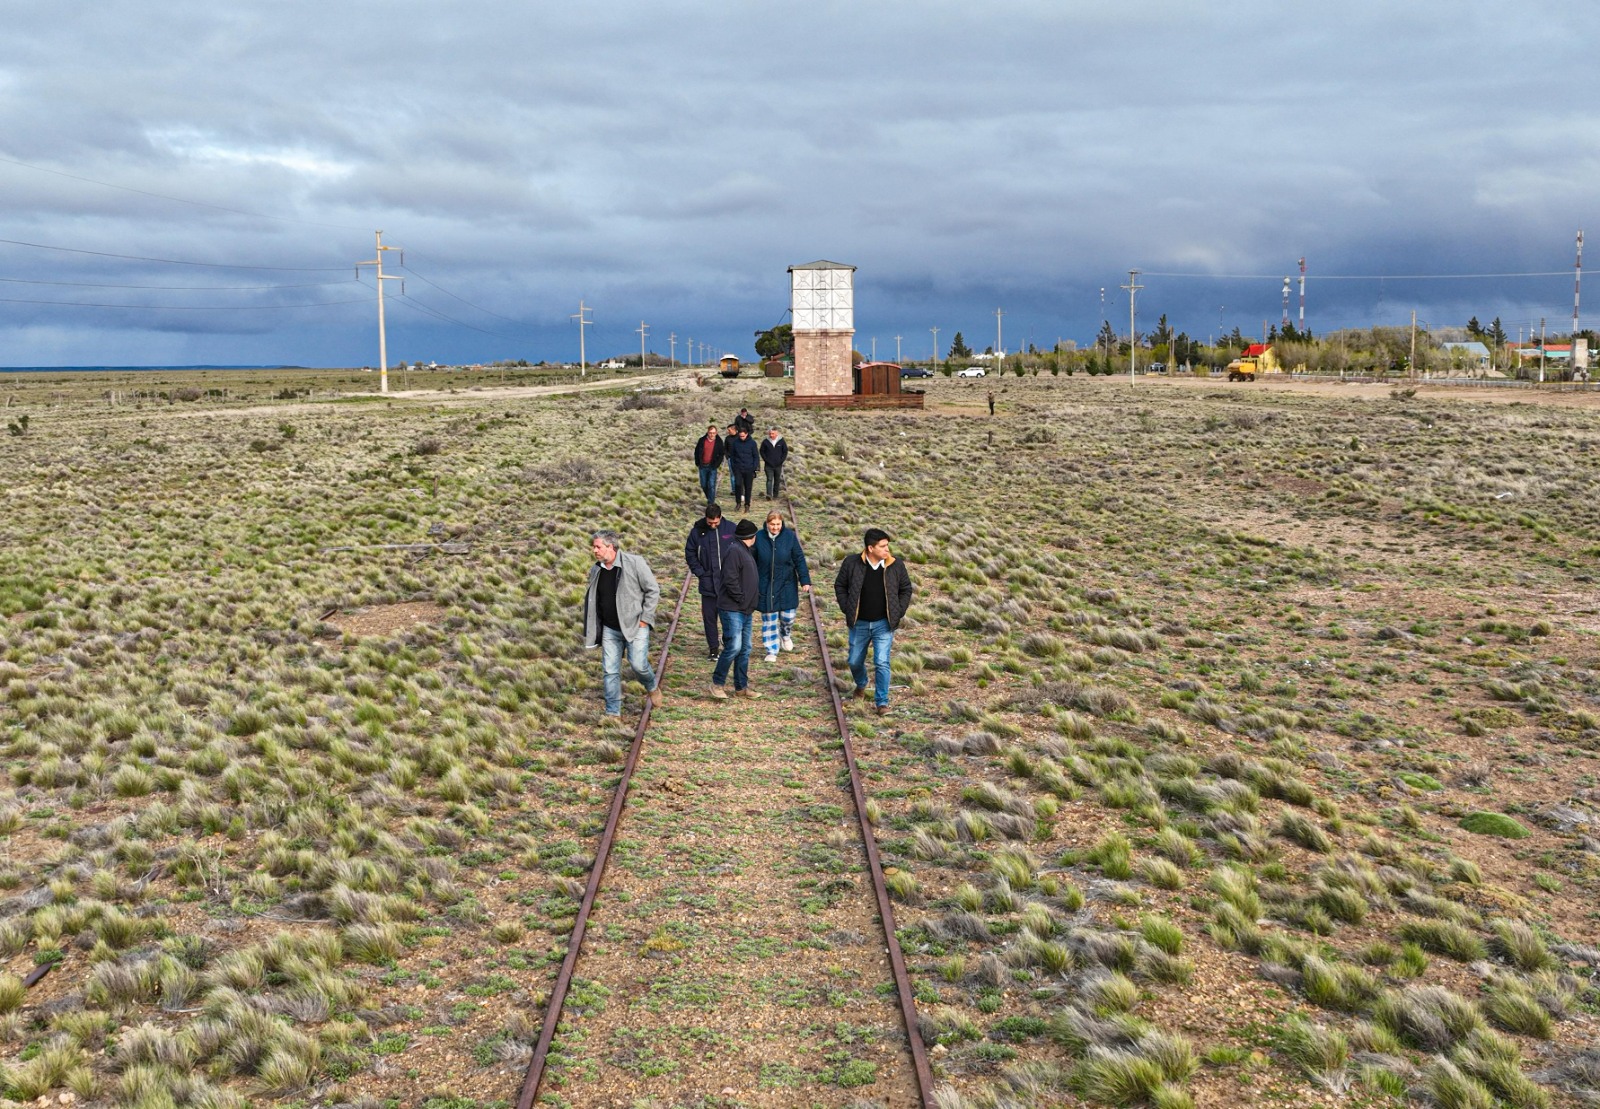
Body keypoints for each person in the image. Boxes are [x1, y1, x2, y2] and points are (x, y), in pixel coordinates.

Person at [582, 530, 663, 728]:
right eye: (594, 547)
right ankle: (613, 712)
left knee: (638, 664)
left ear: (611, 547)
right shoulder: (596, 569)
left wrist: (645, 618)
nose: (595, 550)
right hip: (610, 628)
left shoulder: (635, 563)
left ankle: (651, 686)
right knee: (610, 671)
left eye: (598, 547)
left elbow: (653, 590)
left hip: (635, 625)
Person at [833, 527, 913, 715]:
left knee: (882, 662)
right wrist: (847, 607)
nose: (887, 550)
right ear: (870, 548)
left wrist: (898, 611)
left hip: (883, 624)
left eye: (887, 546)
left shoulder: (895, 565)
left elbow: (906, 588)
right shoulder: (852, 563)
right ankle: (861, 684)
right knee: (854, 661)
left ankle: (882, 703)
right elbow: (840, 585)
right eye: (883, 546)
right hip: (859, 623)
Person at [711, 519, 760, 700]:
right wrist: (741, 598)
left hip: (744, 609)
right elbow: (730, 579)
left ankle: (741, 687)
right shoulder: (735, 551)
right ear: (752, 536)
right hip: (733, 608)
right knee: (734, 647)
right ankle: (717, 683)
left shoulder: (742, 550)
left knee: (745, 648)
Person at [754, 509, 810, 663]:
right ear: (767, 524)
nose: (775, 527)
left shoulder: (789, 537)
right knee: (769, 620)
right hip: (766, 585)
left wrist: (804, 580)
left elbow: (799, 558)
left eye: (778, 524)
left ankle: (785, 634)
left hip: (787, 583)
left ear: (782, 524)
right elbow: (751, 559)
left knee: (788, 617)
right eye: (772, 524)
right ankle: (771, 649)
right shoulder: (758, 537)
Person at [684, 503, 735, 659]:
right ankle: (713, 648)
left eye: (716, 523)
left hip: (728, 584)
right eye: (710, 522)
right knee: (709, 618)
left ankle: (729, 644)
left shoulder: (731, 529)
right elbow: (690, 553)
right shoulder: (697, 532)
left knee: (729, 617)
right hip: (708, 584)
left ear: (720, 517)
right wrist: (700, 572)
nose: (713, 525)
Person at [724, 426, 760, 512]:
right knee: (737, 485)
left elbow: (756, 456)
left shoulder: (752, 443)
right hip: (738, 469)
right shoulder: (735, 443)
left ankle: (747, 505)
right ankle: (738, 503)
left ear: (747, 434)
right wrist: (734, 467)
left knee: (748, 487)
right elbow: (732, 456)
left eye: (743, 436)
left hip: (748, 469)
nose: (741, 438)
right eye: (740, 436)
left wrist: (753, 467)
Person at [692, 423, 725, 505]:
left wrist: (717, 464)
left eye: (713, 433)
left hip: (712, 466)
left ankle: (711, 503)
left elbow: (721, 454)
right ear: (707, 432)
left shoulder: (719, 442)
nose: (712, 435)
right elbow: (696, 451)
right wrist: (697, 462)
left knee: (711, 484)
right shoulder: (702, 440)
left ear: (716, 433)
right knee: (704, 484)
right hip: (702, 465)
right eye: (710, 433)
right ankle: (709, 497)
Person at [759, 427, 788, 500]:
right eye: (770, 433)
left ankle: (775, 495)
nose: (771, 435)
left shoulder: (782, 441)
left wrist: (781, 461)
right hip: (768, 465)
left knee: (777, 480)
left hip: (778, 465)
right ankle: (769, 495)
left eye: (773, 434)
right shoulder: (765, 441)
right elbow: (762, 451)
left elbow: (785, 452)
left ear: (776, 434)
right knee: (769, 479)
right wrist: (766, 460)